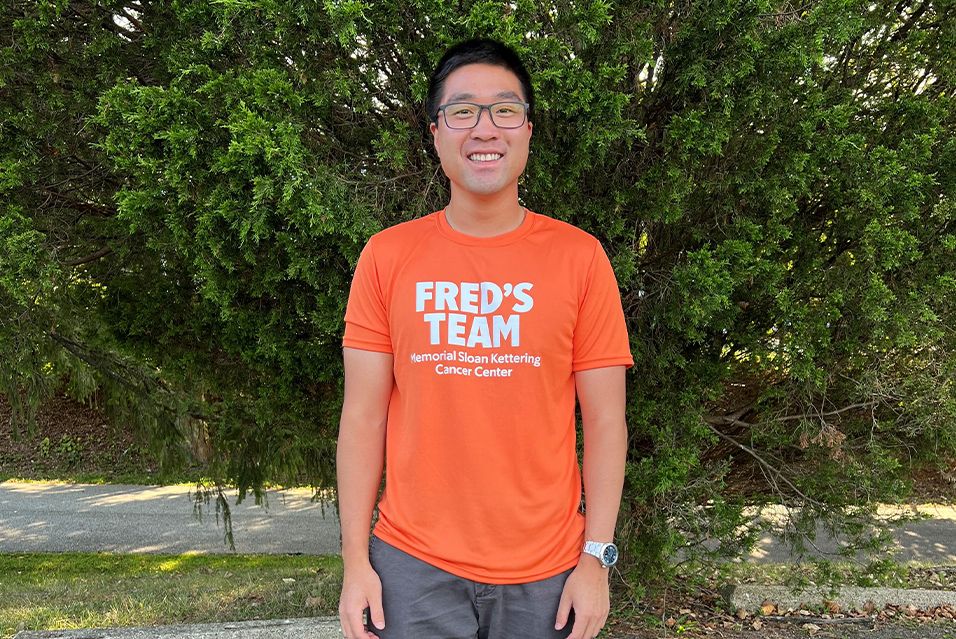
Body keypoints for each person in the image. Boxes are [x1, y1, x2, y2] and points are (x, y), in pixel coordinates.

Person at [337, 37, 633, 639]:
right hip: (410, 567)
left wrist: (596, 558)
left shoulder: (580, 258)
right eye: (463, 110)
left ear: (527, 130)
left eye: (504, 109)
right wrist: (354, 562)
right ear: (436, 131)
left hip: (548, 573)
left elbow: (605, 420)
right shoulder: (387, 256)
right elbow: (362, 417)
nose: (484, 128)